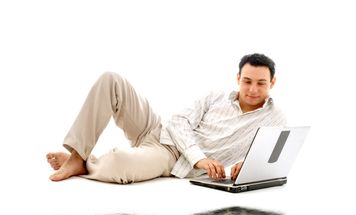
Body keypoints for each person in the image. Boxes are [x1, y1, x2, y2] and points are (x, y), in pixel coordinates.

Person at [47, 53, 286, 184]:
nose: (253, 89)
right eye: (247, 81)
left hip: (171, 158)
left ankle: (88, 162)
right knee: (111, 80)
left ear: (272, 83)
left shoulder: (275, 119)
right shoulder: (217, 96)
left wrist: (244, 166)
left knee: (117, 164)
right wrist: (200, 158)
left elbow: (263, 160)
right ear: (238, 78)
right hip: (157, 130)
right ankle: (78, 156)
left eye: (261, 83)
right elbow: (178, 121)